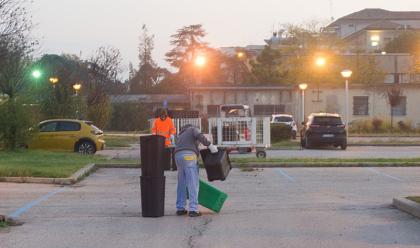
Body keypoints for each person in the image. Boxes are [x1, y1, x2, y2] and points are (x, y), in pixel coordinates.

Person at [174, 124, 218, 217]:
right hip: (188, 156)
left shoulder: (180, 135)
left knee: (182, 183)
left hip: (178, 157)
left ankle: (180, 208)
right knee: (193, 183)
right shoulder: (193, 129)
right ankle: (193, 209)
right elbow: (199, 136)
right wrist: (209, 145)